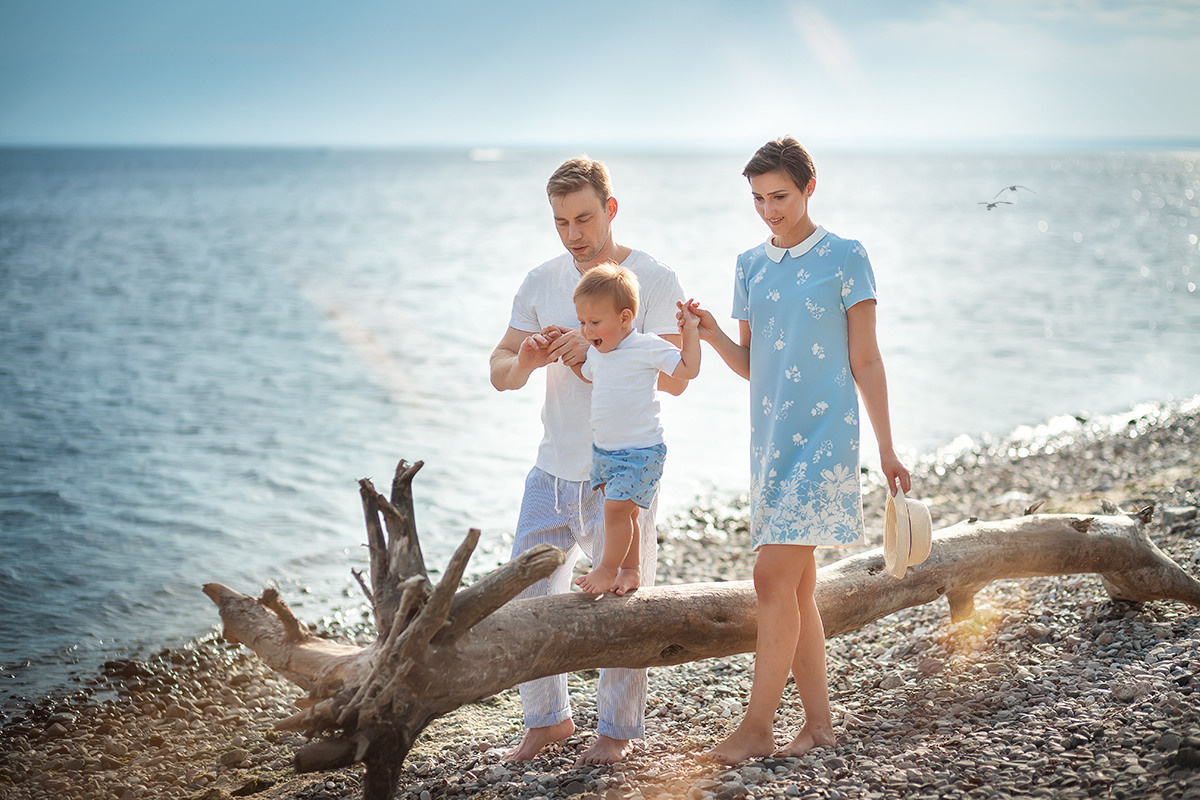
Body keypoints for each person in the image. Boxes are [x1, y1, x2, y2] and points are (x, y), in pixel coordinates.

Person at [681, 136, 910, 764]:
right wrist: (712, 334)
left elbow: (864, 356)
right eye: (757, 199)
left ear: (809, 187)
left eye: (778, 196)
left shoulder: (846, 257)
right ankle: (819, 726)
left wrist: (888, 448)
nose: (768, 210)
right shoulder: (749, 265)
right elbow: (754, 365)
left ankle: (757, 726)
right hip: (770, 445)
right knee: (799, 589)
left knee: (769, 577)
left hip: (826, 443)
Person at [489, 156, 688, 764]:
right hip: (551, 468)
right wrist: (526, 358)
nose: (573, 234)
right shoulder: (540, 280)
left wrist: (599, 348)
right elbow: (499, 373)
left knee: (625, 603)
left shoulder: (652, 279)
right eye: (560, 222)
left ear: (611, 209)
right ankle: (547, 720)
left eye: (584, 218)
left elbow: (677, 379)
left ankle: (618, 731)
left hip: (619, 471)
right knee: (526, 598)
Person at [568, 264, 701, 596]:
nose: (586, 331)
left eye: (595, 323)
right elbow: (589, 374)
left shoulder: (647, 346)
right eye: (582, 323)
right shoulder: (599, 353)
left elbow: (688, 368)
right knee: (624, 515)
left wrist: (691, 333)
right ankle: (630, 570)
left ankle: (606, 570)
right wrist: (566, 356)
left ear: (625, 318)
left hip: (642, 451)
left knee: (615, 510)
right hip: (605, 452)